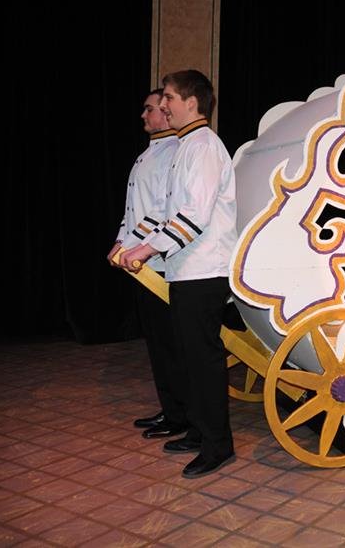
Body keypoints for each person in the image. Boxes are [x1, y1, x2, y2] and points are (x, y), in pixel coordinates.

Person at [120, 69, 238, 477]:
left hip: (204, 269)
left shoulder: (203, 146)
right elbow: (166, 212)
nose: (163, 105)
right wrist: (134, 243)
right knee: (190, 358)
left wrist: (144, 249)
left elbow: (193, 216)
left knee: (202, 360)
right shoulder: (188, 145)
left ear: (191, 102)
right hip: (186, 269)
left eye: (168, 98)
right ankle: (199, 431)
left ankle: (218, 445)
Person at [107, 89, 188, 439]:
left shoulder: (173, 152)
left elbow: (161, 210)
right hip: (143, 262)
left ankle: (181, 416)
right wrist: (120, 240)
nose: (144, 115)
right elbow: (133, 209)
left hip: (160, 263)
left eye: (149, 109)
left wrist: (136, 246)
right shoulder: (149, 153)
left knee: (169, 344)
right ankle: (171, 411)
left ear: (166, 113)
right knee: (157, 344)